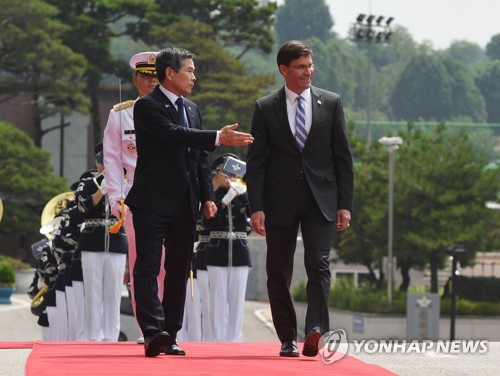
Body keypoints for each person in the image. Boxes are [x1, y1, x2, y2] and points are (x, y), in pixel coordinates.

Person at [124, 47, 253, 357]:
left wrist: (208, 196)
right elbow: (173, 134)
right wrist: (217, 137)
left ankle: (170, 332)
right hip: (151, 201)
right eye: (190, 70)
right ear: (170, 73)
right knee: (147, 267)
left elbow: (198, 158)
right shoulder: (145, 106)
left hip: (186, 202)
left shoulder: (193, 108)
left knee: (179, 267)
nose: (195, 76)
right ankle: (152, 331)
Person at [246, 40, 354, 358]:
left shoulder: (331, 103)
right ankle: (286, 338)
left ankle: (315, 330)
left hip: (321, 198)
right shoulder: (265, 107)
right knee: (279, 270)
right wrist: (257, 206)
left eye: (310, 66)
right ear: (284, 69)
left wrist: (345, 203)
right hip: (278, 200)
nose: (308, 72)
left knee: (318, 264)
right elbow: (257, 162)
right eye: (301, 67)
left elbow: (343, 158)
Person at [103, 51, 166, 345]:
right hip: (136, 194)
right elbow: (113, 159)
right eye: (146, 77)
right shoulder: (121, 113)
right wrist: (115, 197)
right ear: (136, 80)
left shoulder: (175, 109)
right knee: (143, 262)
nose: (152, 81)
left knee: (170, 262)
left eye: (157, 76)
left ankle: (170, 322)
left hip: (171, 195)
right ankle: (148, 328)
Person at [76, 144, 128, 341]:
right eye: (103, 162)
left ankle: (111, 336)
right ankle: (92, 336)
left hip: (116, 241)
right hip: (93, 241)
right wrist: (101, 189)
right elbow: (83, 207)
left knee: (114, 292)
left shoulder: (124, 182)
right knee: (93, 292)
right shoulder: (87, 181)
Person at [202, 153, 252, 342]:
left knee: (237, 302)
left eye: (234, 173)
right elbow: (207, 220)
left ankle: (234, 340)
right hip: (217, 251)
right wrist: (225, 200)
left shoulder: (242, 193)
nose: (230, 177)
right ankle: (217, 340)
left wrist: (246, 193)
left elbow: (252, 215)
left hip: (239, 251)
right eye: (226, 173)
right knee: (218, 301)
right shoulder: (212, 196)